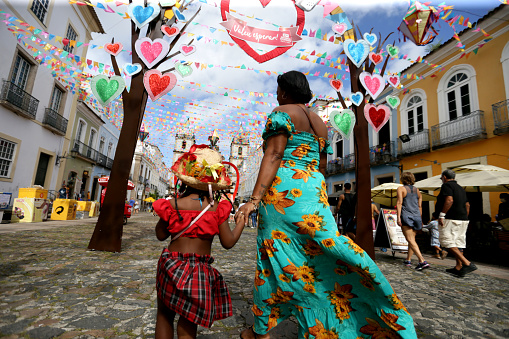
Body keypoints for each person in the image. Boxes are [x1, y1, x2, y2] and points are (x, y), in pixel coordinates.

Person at [236, 71, 416, 338]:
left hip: (283, 195)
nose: (276, 95)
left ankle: (261, 331)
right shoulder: (320, 123)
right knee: (319, 252)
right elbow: (320, 166)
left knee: (273, 259)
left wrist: (254, 200)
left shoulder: (281, 112)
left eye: (277, 91)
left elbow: (274, 154)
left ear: (285, 92)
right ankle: (355, 306)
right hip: (314, 194)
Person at [152, 144, 246, 339]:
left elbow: (160, 235)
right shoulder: (218, 209)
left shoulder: (173, 204)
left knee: (164, 314)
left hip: (170, 265)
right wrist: (241, 224)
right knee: (188, 319)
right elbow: (228, 242)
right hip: (198, 271)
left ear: (185, 180)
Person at [436, 169, 476, 277]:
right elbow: (467, 205)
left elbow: (449, 200)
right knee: (458, 243)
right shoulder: (461, 188)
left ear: (444, 177)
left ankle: (467, 263)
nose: (441, 180)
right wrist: (464, 216)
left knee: (447, 241)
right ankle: (459, 268)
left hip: (450, 218)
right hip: (463, 219)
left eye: (441, 178)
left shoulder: (447, 186)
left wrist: (442, 215)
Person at [396, 172, 430, 271]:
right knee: (412, 240)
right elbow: (420, 206)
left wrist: (398, 217)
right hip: (416, 216)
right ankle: (408, 259)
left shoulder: (401, 189)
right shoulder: (417, 190)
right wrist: (420, 218)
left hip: (406, 215)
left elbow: (399, 203)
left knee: (410, 240)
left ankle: (422, 261)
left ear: (403, 179)